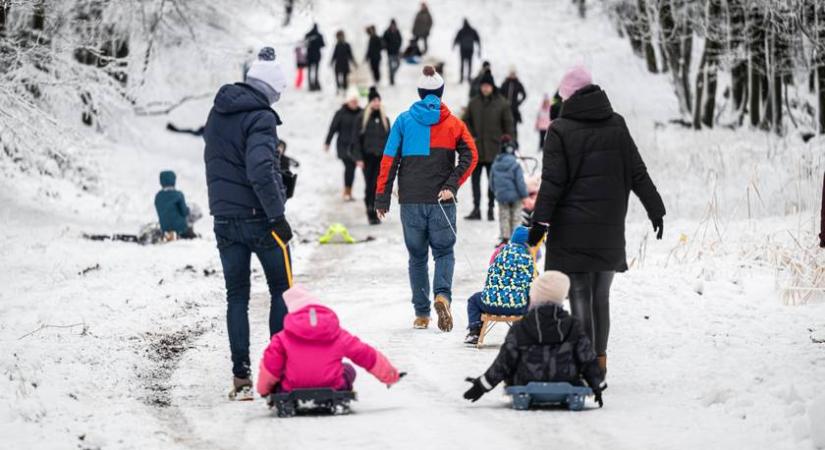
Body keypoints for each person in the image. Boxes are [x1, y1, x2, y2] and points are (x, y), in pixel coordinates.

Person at [527, 66, 666, 377]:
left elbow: (552, 183)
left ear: (567, 97)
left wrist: (540, 223)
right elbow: (637, 172)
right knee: (600, 296)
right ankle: (599, 361)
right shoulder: (617, 124)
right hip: (608, 227)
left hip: (571, 230)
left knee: (579, 295)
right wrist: (655, 208)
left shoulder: (559, 130)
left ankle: (584, 363)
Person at [202, 50, 293, 400]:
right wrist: (277, 215)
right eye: (278, 92)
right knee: (281, 290)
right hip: (259, 220)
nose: (278, 99)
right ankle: (278, 373)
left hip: (224, 218)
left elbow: (225, 162)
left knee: (237, 296)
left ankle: (241, 379)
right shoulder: (260, 117)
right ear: (268, 87)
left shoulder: (217, 111)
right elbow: (257, 169)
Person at [375, 66, 478, 331]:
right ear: (441, 92)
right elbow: (471, 156)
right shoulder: (454, 123)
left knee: (417, 257)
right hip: (442, 201)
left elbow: (389, 161)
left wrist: (382, 198)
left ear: (420, 92)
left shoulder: (403, 121)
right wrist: (452, 185)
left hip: (410, 201)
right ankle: (442, 295)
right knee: (444, 252)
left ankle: (422, 314)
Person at [462, 271, 605, 407]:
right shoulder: (573, 325)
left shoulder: (521, 326)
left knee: (514, 358)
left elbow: (504, 361)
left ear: (534, 296)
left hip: (525, 382)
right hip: (567, 381)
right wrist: (597, 385)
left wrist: (482, 385)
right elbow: (587, 358)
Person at [257, 284, 401, 397]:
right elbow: (365, 354)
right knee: (348, 369)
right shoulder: (337, 333)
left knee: (281, 371)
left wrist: (264, 391)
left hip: (292, 386)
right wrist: (389, 375)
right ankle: (339, 391)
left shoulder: (282, 338)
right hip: (332, 384)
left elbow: (270, 367)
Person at [463, 226, 533, 345]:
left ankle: (474, 332)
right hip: (518, 306)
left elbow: (491, 273)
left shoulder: (500, 253)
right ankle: (528, 332)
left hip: (490, 303)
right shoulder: (527, 258)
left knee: (474, 300)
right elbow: (531, 283)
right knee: (534, 301)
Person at [463, 70, 514, 221]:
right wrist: (471, 134)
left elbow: (509, 125)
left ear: (492, 86)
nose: (485, 88)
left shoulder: (502, 103)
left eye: (488, 85)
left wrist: (509, 141)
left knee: (493, 181)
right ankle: (476, 208)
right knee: (475, 181)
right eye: (483, 86)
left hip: (494, 149)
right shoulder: (474, 103)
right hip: (476, 149)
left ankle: (491, 209)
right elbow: (465, 121)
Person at [351, 87, 391, 225]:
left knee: (378, 185)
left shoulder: (385, 119)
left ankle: (375, 211)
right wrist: (358, 158)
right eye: (374, 100)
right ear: (369, 102)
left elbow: (390, 140)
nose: (377, 103)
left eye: (378, 100)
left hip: (381, 158)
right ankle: (369, 209)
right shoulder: (362, 118)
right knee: (370, 185)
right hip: (367, 158)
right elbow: (355, 140)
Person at [325, 89, 363, 201]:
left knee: (352, 168)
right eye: (352, 101)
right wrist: (327, 142)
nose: (354, 103)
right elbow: (333, 128)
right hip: (343, 146)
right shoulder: (340, 113)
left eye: (356, 101)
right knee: (349, 167)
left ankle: (349, 191)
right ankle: (347, 191)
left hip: (356, 147)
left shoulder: (362, 112)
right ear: (347, 101)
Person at [490, 136, 528, 245]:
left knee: (504, 215)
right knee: (516, 216)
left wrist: (496, 192)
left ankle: (505, 238)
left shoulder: (496, 164)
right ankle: (516, 238)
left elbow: (491, 181)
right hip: (515, 196)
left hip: (502, 195)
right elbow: (520, 182)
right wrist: (524, 195)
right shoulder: (515, 164)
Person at [154, 170, 196, 240]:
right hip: (180, 228)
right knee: (194, 210)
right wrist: (189, 210)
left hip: (165, 228)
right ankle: (189, 233)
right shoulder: (178, 195)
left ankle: (169, 235)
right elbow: (184, 212)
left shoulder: (158, 196)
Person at [500, 67, 527, 138]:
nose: (512, 75)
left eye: (513, 74)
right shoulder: (505, 83)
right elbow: (500, 94)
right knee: (504, 125)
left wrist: (518, 103)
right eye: (511, 73)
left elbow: (524, 94)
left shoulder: (518, 83)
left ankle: (514, 141)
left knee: (514, 126)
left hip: (514, 110)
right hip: (505, 108)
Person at [453, 19, 480, 83]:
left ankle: (461, 78)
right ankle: (469, 78)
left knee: (462, 64)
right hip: (470, 50)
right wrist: (479, 50)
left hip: (463, 50)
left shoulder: (461, 31)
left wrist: (454, 45)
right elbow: (478, 40)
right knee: (469, 64)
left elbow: (456, 39)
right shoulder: (472, 30)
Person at [304, 24, 325, 91]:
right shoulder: (319, 36)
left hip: (310, 56)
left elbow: (304, 44)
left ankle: (311, 85)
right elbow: (323, 45)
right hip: (316, 56)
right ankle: (315, 84)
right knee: (316, 71)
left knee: (310, 71)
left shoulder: (308, 35)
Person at [382, 19, 403, 85]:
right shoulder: (386, 32)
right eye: (392, 24)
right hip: (390, 52)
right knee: (390, 66)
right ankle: (391, 79)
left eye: (394, 25)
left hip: (396, 52)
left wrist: (398, 47)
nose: (393, 26)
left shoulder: (397, 31)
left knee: (398, 64)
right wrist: (386, 46)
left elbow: (400, 40)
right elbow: (383, 40)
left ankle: (392, 75)